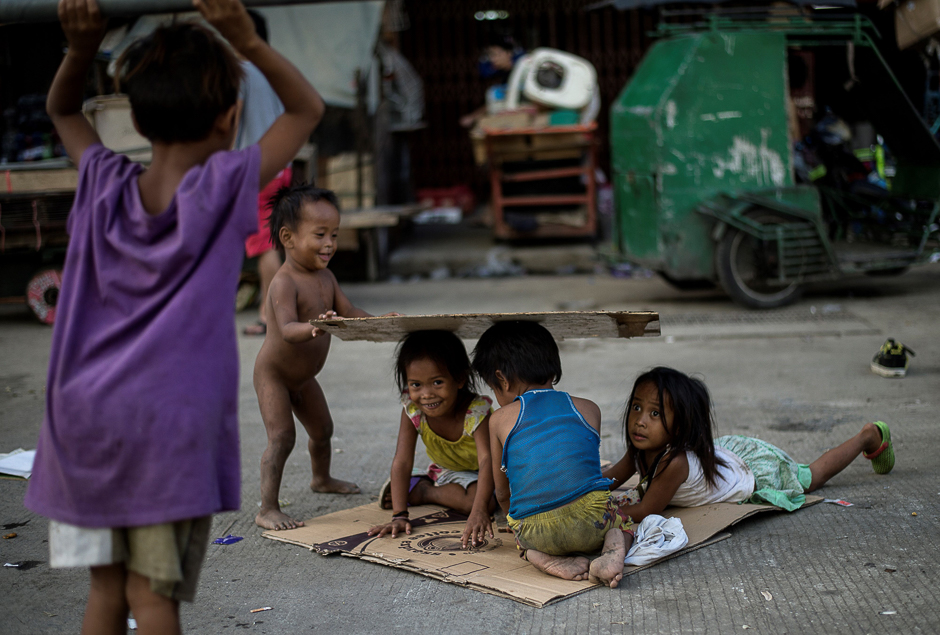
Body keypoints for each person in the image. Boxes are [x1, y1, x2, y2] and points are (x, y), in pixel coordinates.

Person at [23, 0, 324, 633]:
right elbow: (306, 110)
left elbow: (60, 110)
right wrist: (247, 40)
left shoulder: (101, 180)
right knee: (153, 597)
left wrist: (81, 50)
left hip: (82, 427)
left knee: (105, 592)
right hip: (164, 436)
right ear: (230, 117)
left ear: (132, 116)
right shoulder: (220, 189)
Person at [253, 184, 395, 531]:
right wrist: (314, 327)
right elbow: (286, 328)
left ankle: (322, 478)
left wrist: (378, 324)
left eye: (334, 234)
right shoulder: (284, 282)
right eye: (320, 235)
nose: (329, 243)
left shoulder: (327, 277)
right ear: (288, 237)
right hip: (274, 374)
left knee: (322, 430)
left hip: (303, 377)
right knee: (282, 436)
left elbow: (348, 311)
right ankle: (267, 508)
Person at [603, 367, 895, 523]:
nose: (640, 421)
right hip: (725, 455)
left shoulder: (674, 463)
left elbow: (646, 510)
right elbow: (610, 479)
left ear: (679, 426)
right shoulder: (641, 447)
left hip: (753, 473)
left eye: (655, 414)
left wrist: (594, 519)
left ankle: (867, 437)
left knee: (811, 476)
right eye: (637, 408)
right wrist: (573, 491)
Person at [471, 321, 634, 589]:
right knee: (622, 521)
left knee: (523, 538)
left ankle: (539, 556)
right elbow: (583, 468)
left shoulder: (499, 420)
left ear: (502, 379)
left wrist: (517, 527)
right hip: (590, 523)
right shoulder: (589, 408)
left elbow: (502, 493)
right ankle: (612, 550)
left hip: (536, 531)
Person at [367, 330, 496, 549]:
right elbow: (402, 460)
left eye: (437, 382)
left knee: (499, 501)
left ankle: (421, 490)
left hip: (494, 468)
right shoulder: (413, 409)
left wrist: (480, 512)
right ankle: (424, 490)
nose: (426, 394)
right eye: (416, 385)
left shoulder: (476, 411)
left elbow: (488, 461)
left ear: (459, 378)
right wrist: (399, 515)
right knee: (477, 502)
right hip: (449, 471)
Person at [237, 9, 290, 336]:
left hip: (255, 169)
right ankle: (275, 310)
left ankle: (268, 315)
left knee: (264, 246)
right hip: (279, 165)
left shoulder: (241, 71)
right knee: (274, 243)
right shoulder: (273, 71)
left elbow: (233, 117)